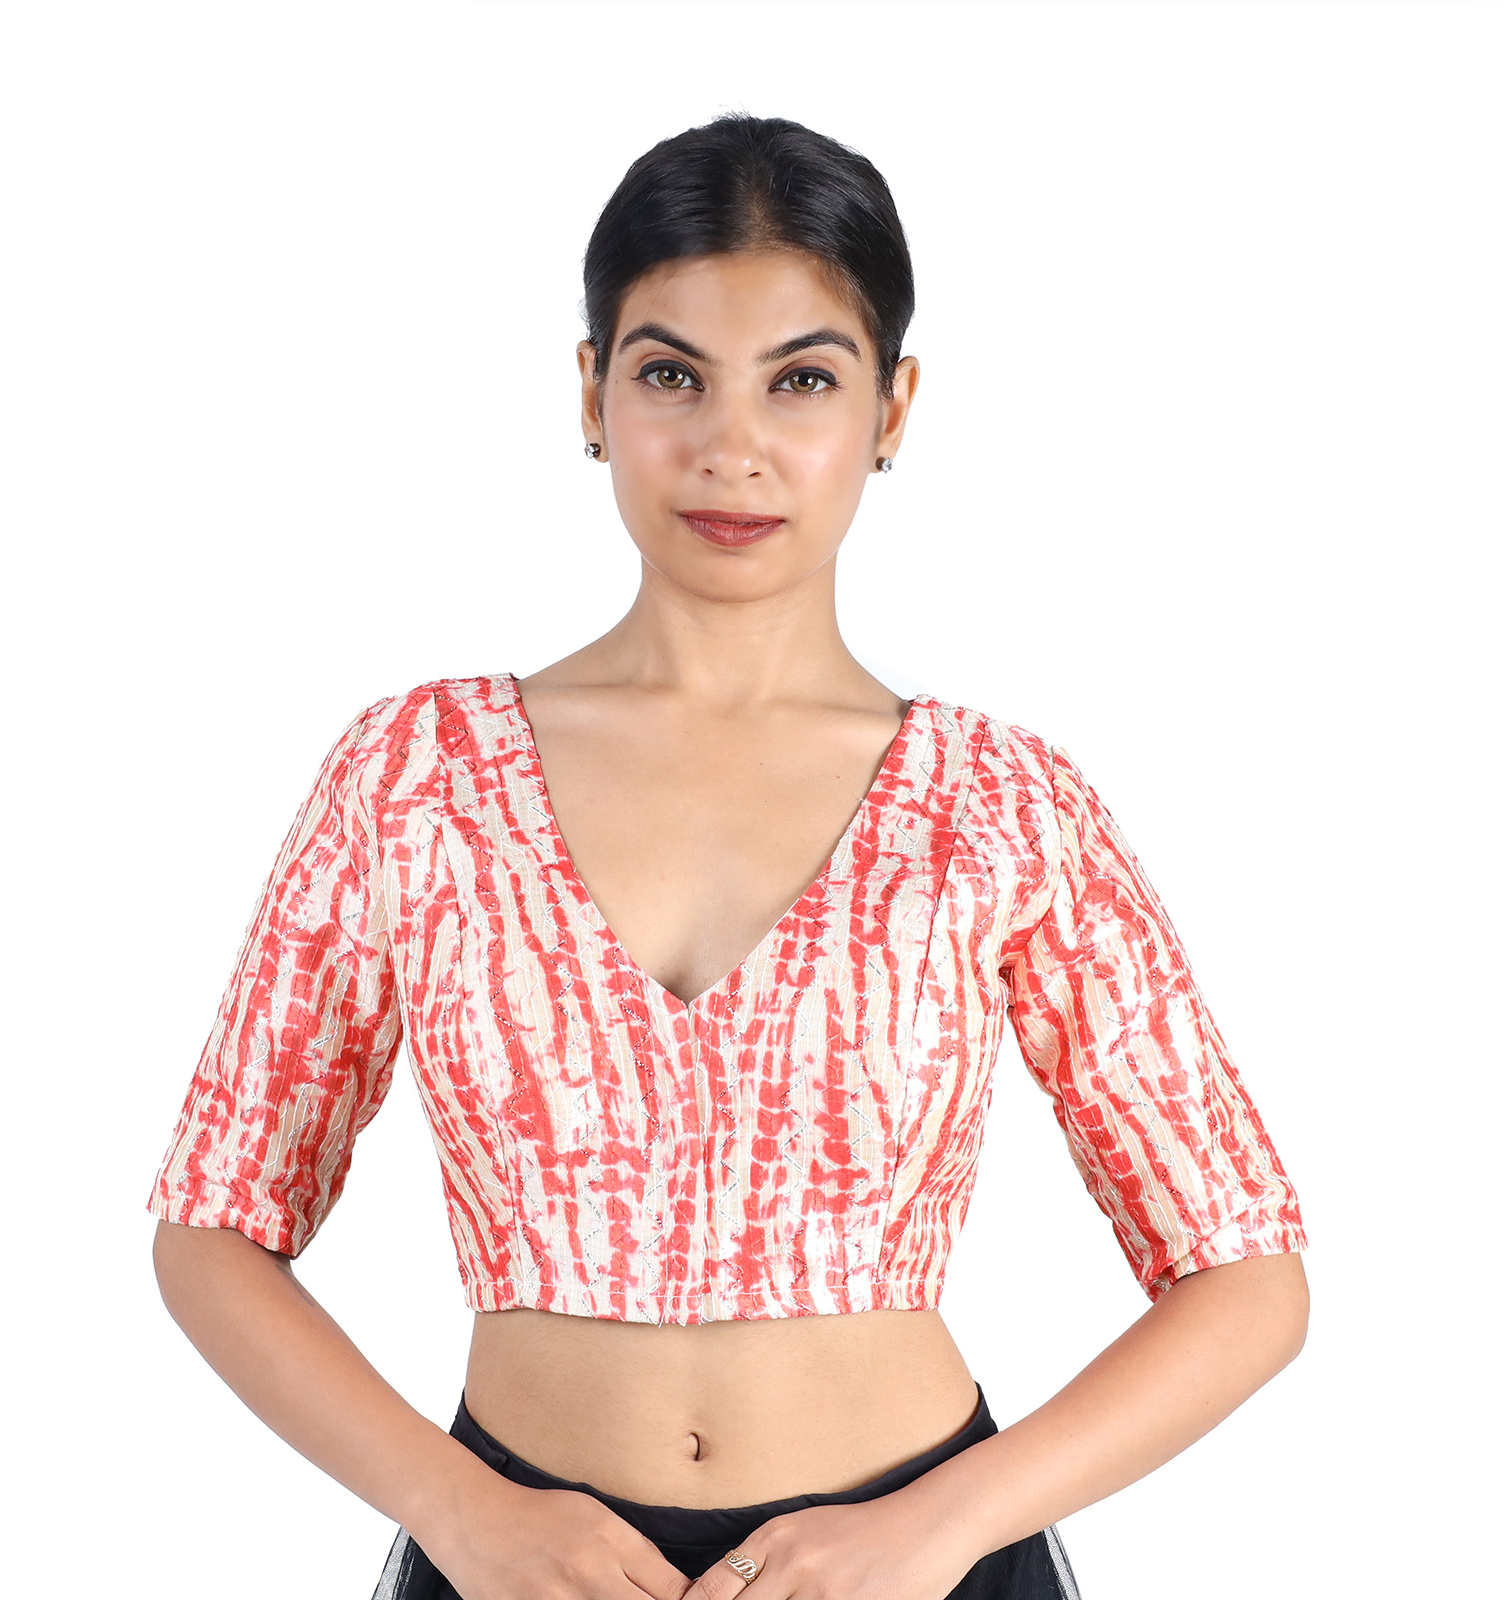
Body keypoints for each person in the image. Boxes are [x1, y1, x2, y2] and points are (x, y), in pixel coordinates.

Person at [146, 112, 1310, 1600]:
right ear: (592, 393)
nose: (731, 447)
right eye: (670, 374)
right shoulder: (418, 777)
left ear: (892, 409)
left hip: (909, 1568)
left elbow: (1246, 1273)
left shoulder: (1000, 805)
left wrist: (939, 1528)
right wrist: (458, 1510)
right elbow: (215, 1226)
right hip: (518, 1566)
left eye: (803, 379)